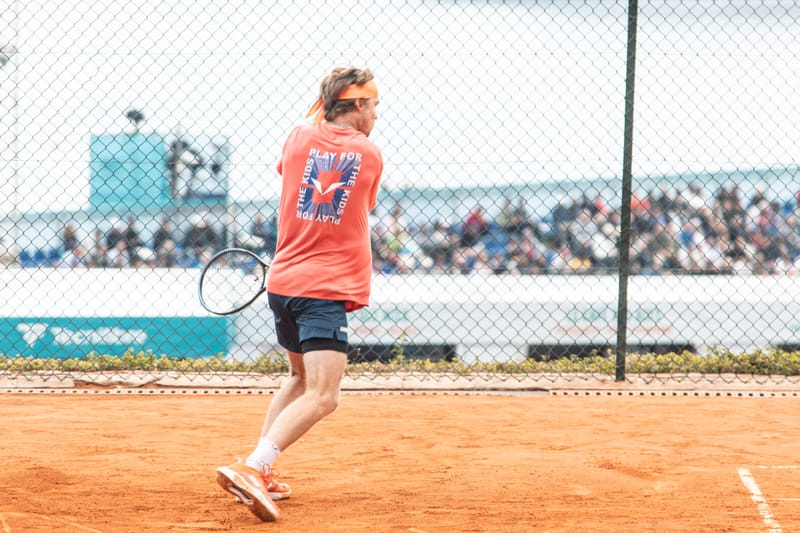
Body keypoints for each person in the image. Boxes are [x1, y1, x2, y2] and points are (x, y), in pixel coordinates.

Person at [215, 66, 382, 522]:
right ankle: (253, 467)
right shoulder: (368, 153)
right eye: (374, 106)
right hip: (323, 289)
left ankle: (260, 471)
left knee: (299, 379)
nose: (377, 115)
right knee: (326, 395)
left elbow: (304, 160)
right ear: (359, 105)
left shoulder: (296, 138)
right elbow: (361, 206)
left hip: (285, 283)